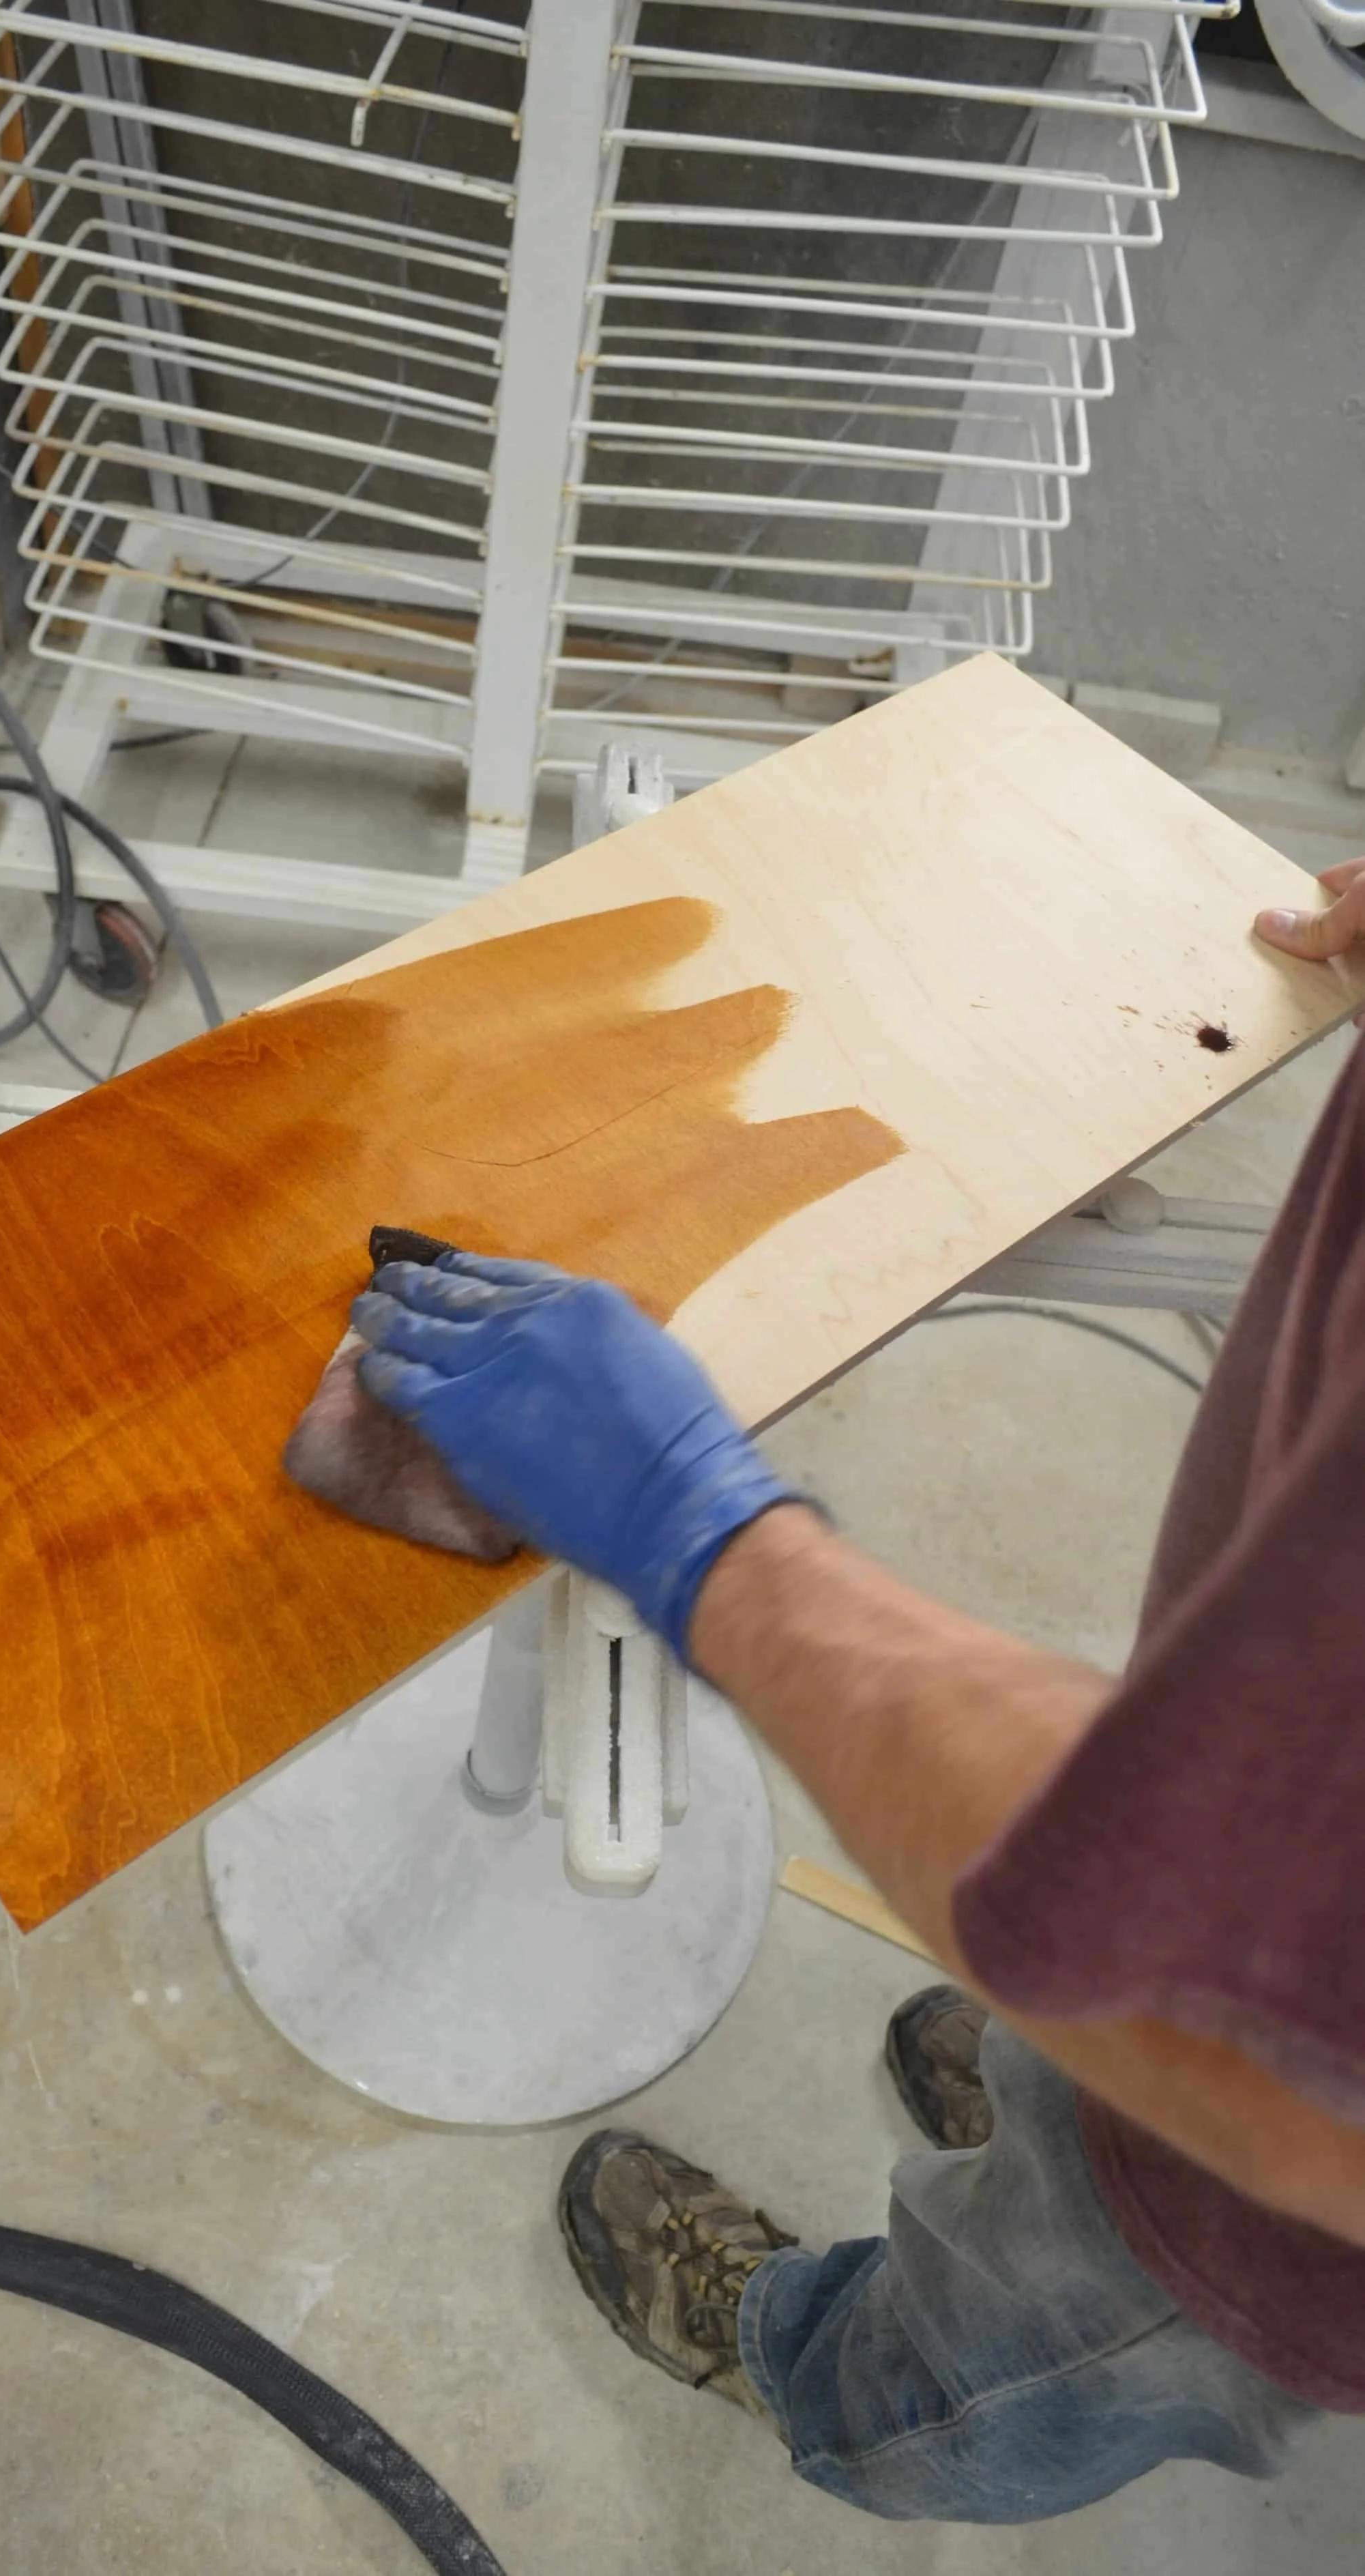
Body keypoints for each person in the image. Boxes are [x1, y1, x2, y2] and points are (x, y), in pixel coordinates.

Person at [349, 857, 1365, 2525]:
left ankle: (808, 2363)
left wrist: (707, 1541)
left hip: (1268, 2202)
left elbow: (1259, 2033)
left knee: (1019, 2332)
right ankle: (1052, 2084)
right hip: (1252, 1945)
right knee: (1080, 2025)